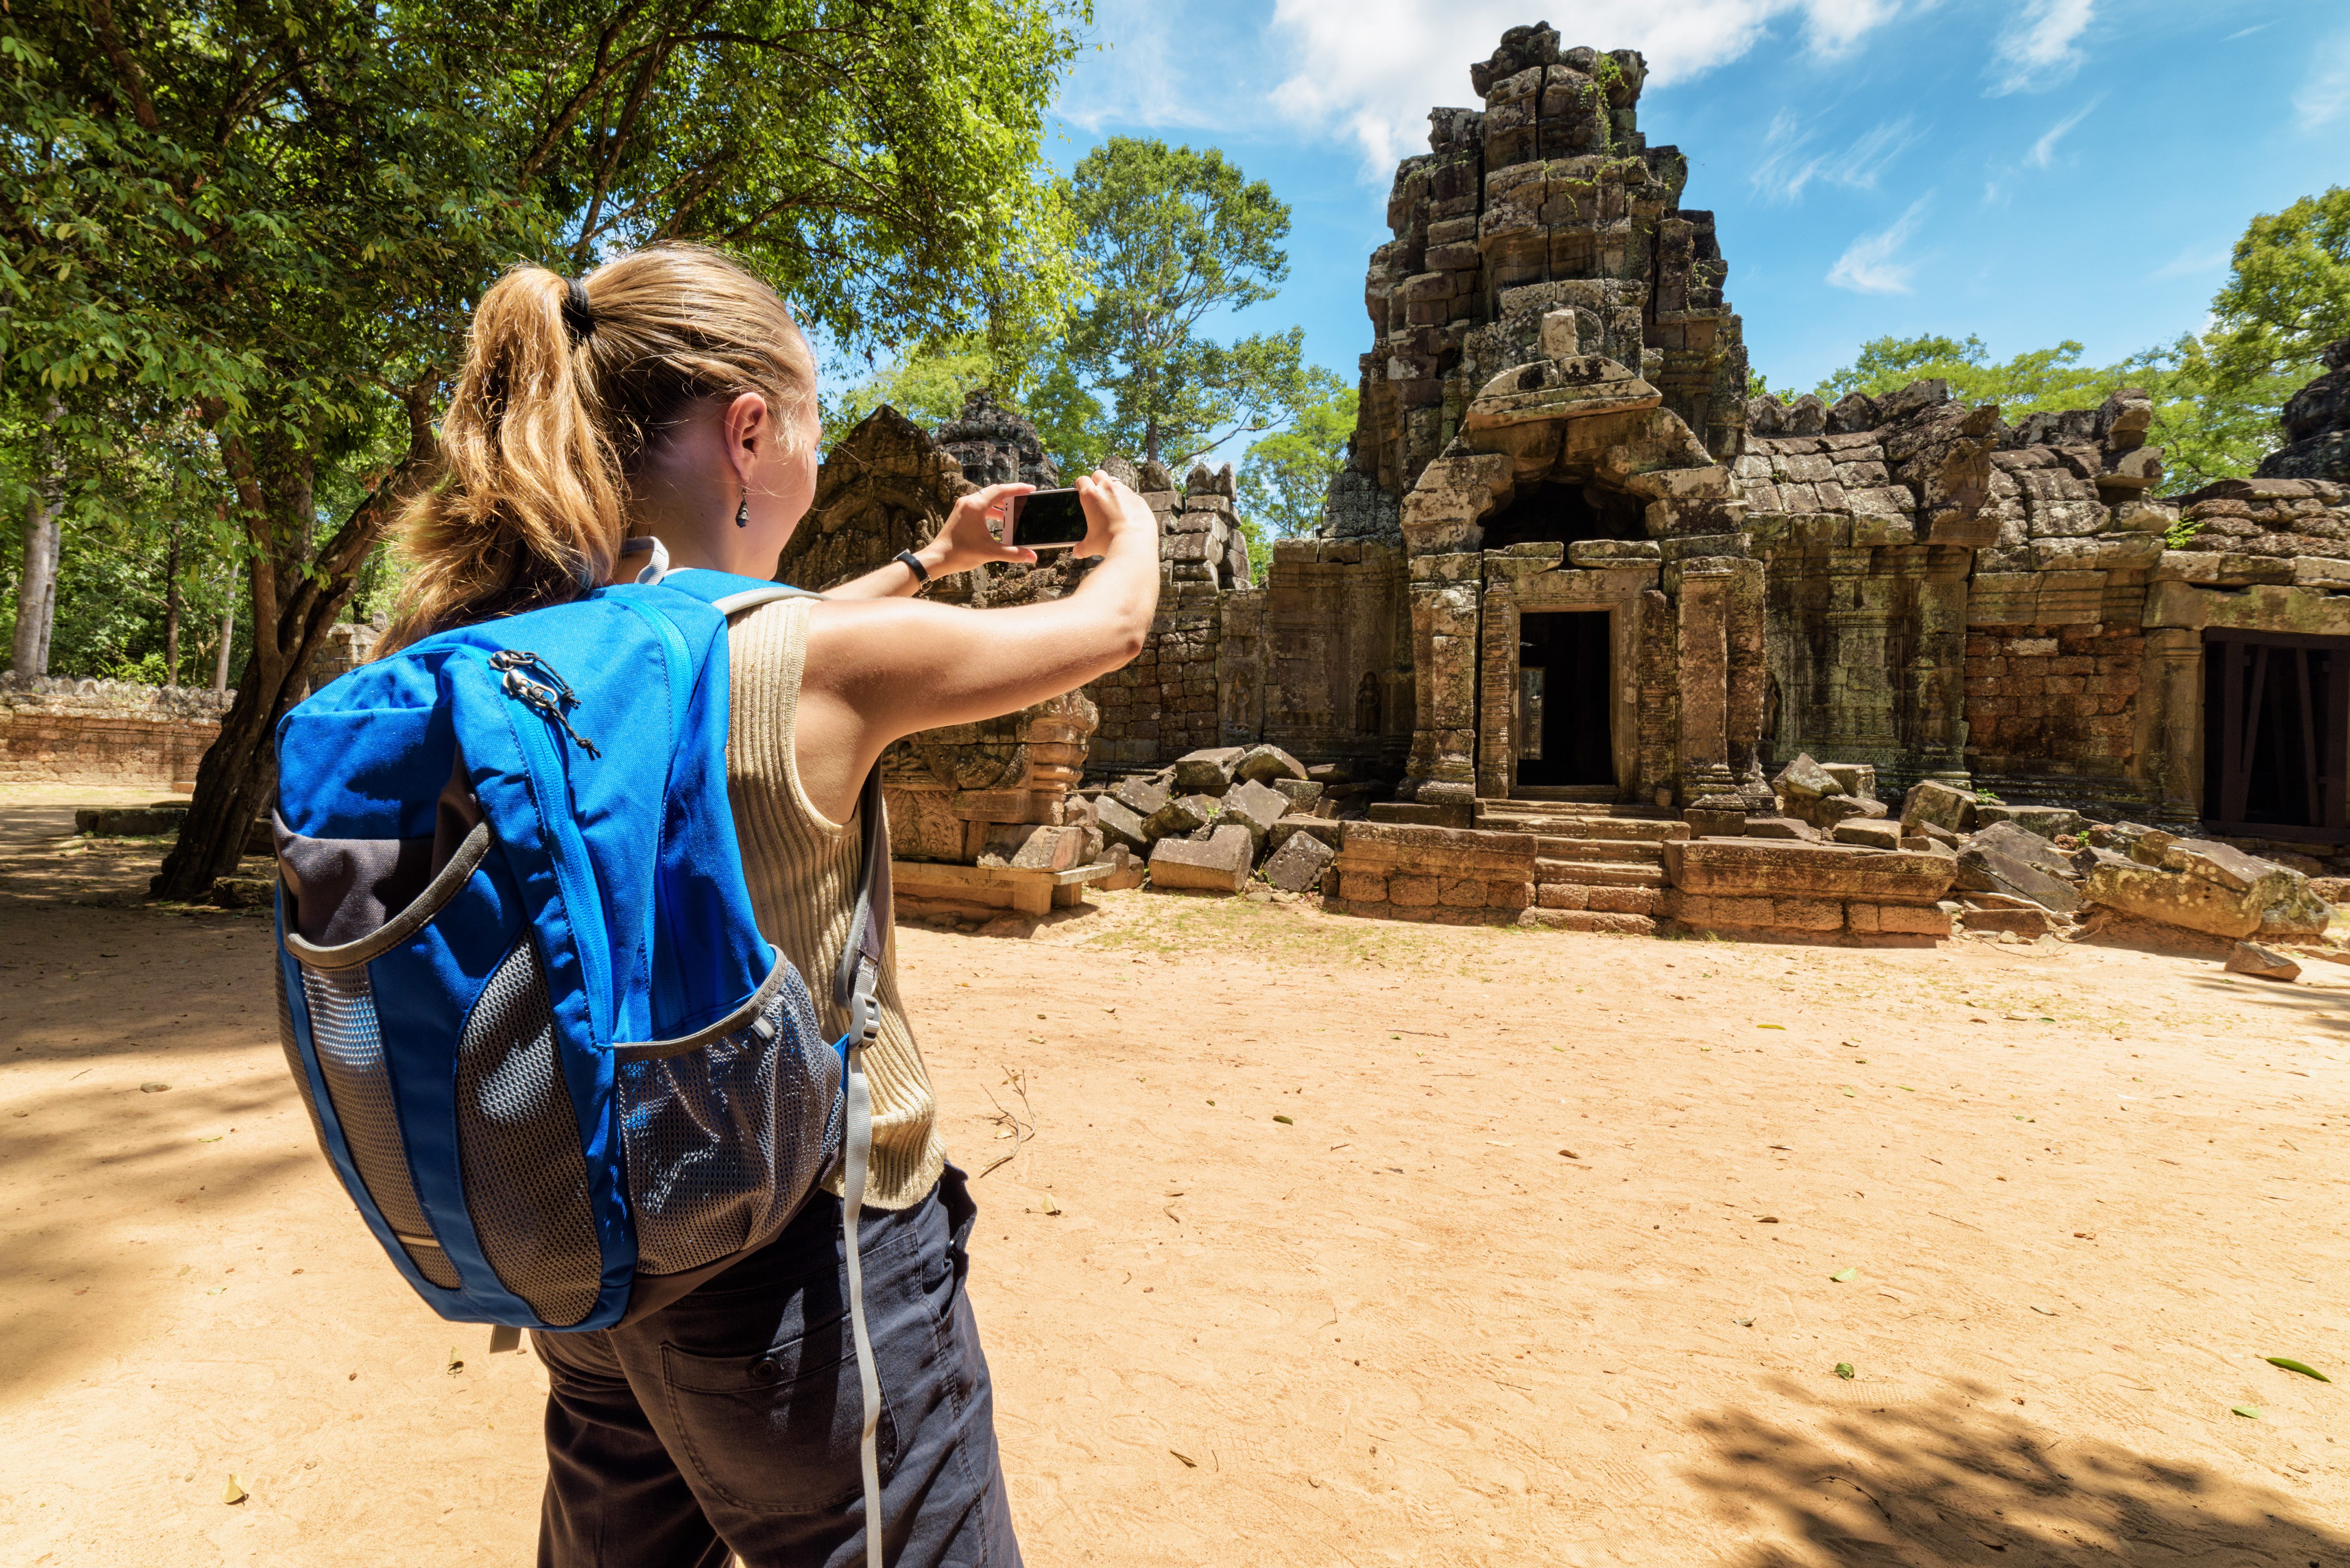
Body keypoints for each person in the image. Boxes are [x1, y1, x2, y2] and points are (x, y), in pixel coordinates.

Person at [382, 243, 1160, 1568]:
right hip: (802, 1268)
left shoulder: (517, 652)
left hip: (590, 1243)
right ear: (749, 433)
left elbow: (751, 645)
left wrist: (929, 558)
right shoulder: (808, 664)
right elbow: (1109, 633)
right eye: (801, 423)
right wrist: (1131, 531)